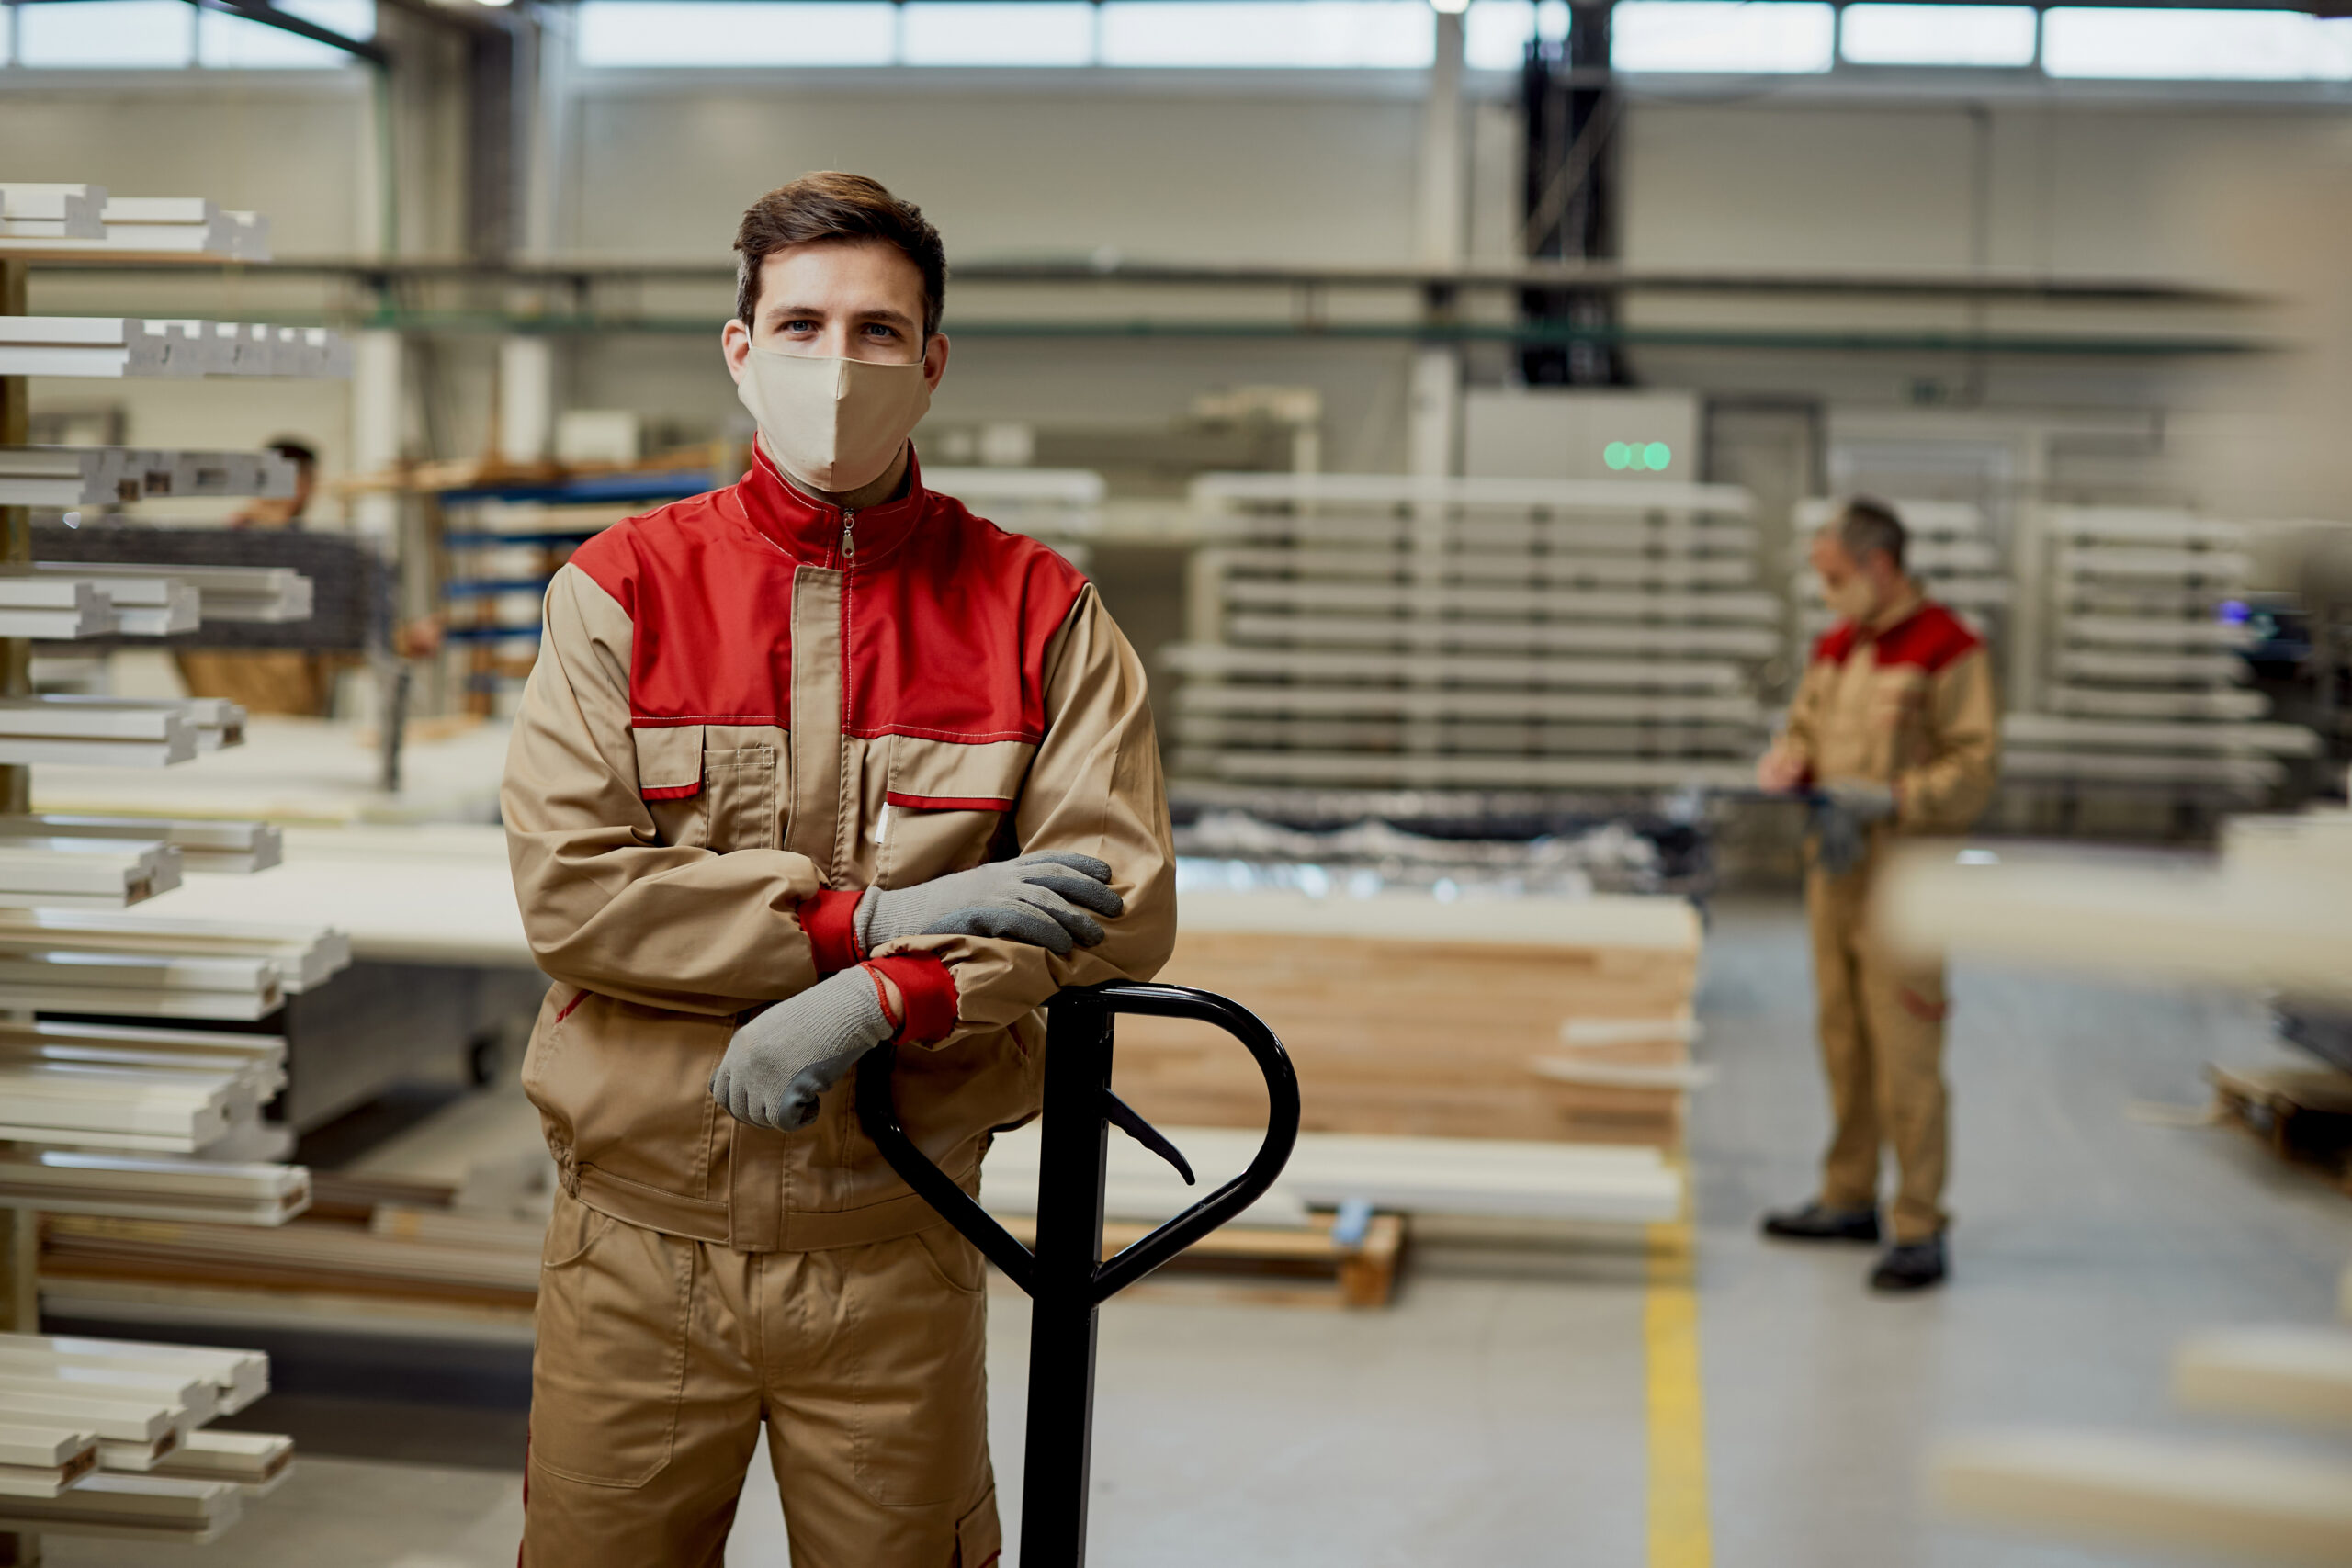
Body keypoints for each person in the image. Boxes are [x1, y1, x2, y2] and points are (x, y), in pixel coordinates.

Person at [500, 171, 1175, 1566]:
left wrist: (901, 992)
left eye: (878, 332)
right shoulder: (619, 587)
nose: (839, 364)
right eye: (801, 325)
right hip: (637, 1246)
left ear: (932, 364)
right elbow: (572, 890)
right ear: (741, 348)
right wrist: (849, 921)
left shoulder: (1040, 608)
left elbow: (1119, 902)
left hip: (898, 1235)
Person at [1755, 498, 1998, 1292]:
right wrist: (1788, 759)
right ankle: (1848, 1193)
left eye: (1834, 577)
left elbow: (1973, 766)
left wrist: (1895, 797)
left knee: (1906, 1049)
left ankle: (1919, 1224)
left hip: (1905, 878)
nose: (1827, 594)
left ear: (1879, 566)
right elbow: (1802, 725)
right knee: (1843, 1035)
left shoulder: (1946, 648)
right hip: (1835, 864)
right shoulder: (1837, 646)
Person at [175, 437, 337, 716]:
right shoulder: (299, 554)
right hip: (282, 719)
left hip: (216, 717)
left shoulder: (210, 547)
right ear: (300, 484)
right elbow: (337, 631)